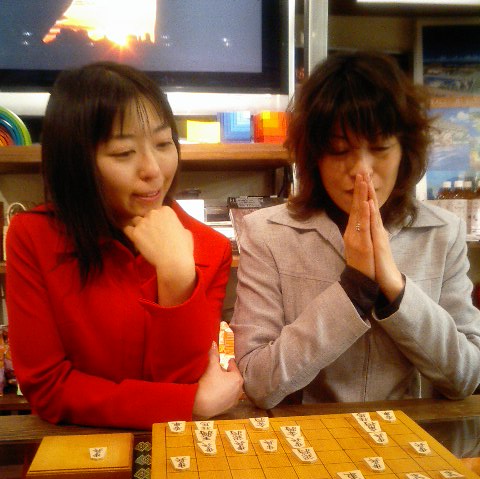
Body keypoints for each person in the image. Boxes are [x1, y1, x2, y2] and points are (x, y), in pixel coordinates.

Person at [231, 50, 480, 409]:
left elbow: (466, 377)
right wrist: (353, 289)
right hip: (306, 437)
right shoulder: (267, 233)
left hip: (408, 435)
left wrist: (394, 287)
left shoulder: (442, 232)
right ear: (314, 156)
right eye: (338, 150)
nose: (361, 170)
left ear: (405, 151)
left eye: (379, 148)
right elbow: (258, 382)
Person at [6, 61, 243, 428]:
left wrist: (177, 275)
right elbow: (47, 388)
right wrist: (190, 403)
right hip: (78, 451)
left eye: (163, 144)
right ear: (76, 161)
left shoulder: (211, 246)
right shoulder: (33, 237)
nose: (153, 170)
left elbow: (182, 379)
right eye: (123, 153)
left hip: (180, 450)